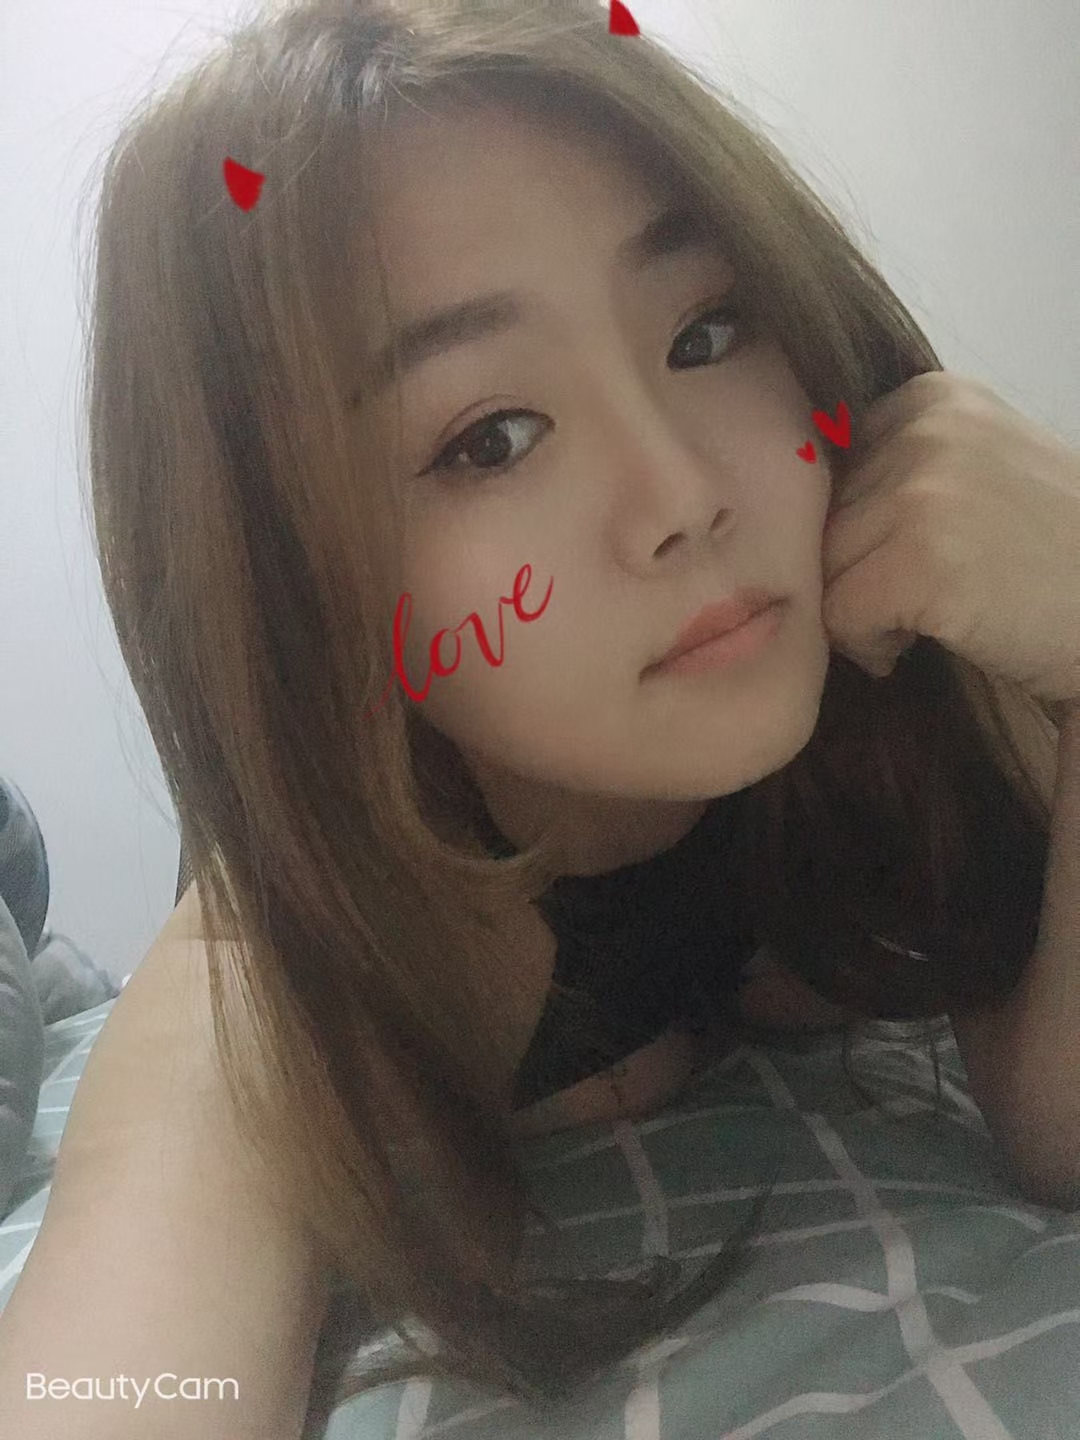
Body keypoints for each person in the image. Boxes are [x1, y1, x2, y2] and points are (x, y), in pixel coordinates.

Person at [0, 1, 1062, 1434]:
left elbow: (1063, 1124)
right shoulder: (278, 977)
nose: (684, 496)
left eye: (706, 330)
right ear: (288, 579)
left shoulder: (893, 657)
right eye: (489, 440)